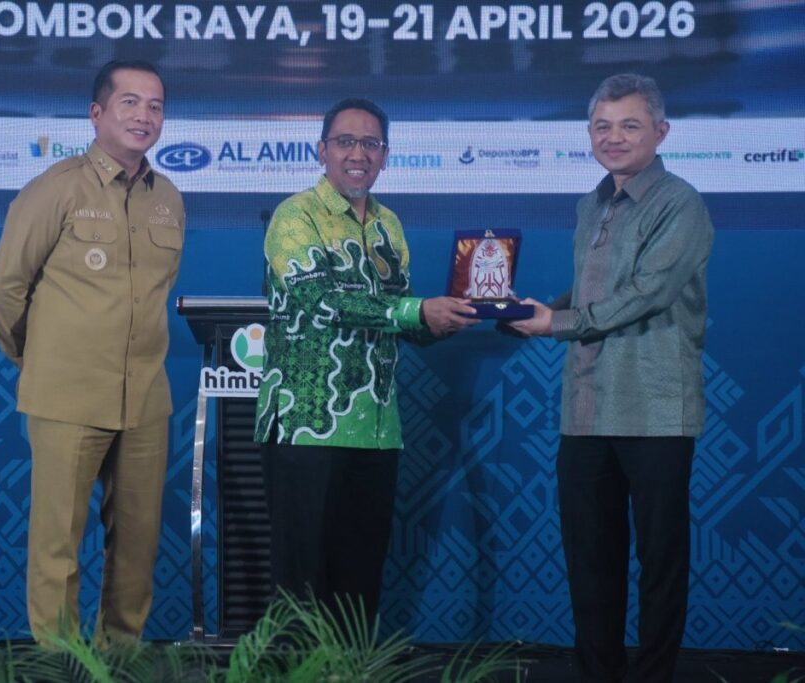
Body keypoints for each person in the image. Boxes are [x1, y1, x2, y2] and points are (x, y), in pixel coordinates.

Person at [507, 74, 713, 682]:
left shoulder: (680, 202)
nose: (613, 137)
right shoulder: (589, 204)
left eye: (629, 125)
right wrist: (526, 310)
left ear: (661, 132)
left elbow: (648, 293)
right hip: (586, 409)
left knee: (660, 563)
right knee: (590, 561)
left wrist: (555, 323)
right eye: (602, 126)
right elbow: (591, 293)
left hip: (655, 410)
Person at [253, 98, 479, 624]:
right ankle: (296, 668)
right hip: (307, 424)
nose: (358, 154)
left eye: (370, 144)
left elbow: (395, 318)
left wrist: (444, 319)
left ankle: (352, 665)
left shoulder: (388, 226)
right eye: (345, 142)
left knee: (359, 585)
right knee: (301, 587)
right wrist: (415, 310)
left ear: (385, 155)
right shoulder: (294, 216)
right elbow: (322, 301)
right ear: (322, 150)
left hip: (376, 431)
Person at [0, 59, 184, 645]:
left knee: (138, 548)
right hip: (66, 397)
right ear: (97, 113)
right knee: (58, 547)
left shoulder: (169, 198)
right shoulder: (57, 187)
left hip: (145, 401)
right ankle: (62, 666)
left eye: (155, 106)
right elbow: (5, 286)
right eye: (129, 103)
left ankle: (120, 659)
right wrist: (37, 360)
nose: (144, 116)